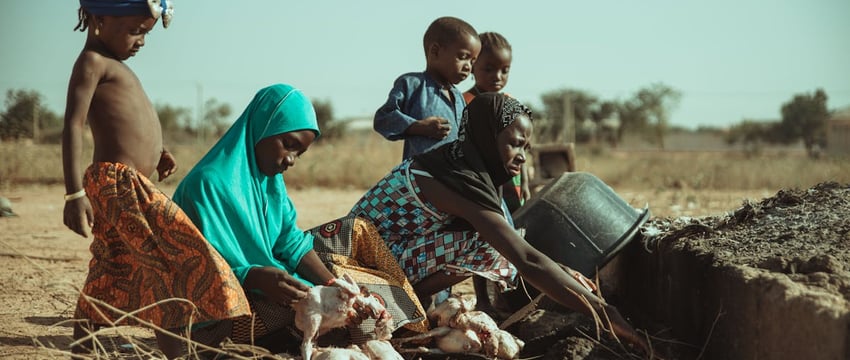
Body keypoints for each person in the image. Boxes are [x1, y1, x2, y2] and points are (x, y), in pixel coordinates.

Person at [350, 93, 650, 352]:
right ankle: (398, 303)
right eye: (515, 144)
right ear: (486, 135)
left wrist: (562, 271)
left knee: (491, 241)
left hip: (383, 255)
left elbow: (514, 241)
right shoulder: (457, 179)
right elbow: (525, 258)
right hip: (356, 269)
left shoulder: (455, 162)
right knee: (490, 245)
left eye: (525, 148)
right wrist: (605, 313)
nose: (521, 157)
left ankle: (409, 300)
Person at [172, 84, 427, 350]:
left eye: (299, 153)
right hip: (216, 314)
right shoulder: (208, 185)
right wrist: (253, 276)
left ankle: (395, 328)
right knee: (297, 307)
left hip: (265, 281)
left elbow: (289, 241)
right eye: (288, 144)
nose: (291, 160)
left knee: (348, 265)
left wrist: (332, 282)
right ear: (262, 127)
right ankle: (299, 338)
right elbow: (199, 272)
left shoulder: (269, 180)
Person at [61, 1, 250, 358]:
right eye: (136, 30)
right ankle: (181, 352)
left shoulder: (116, 66)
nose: (142, 42)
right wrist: (73, 194)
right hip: (119, 185)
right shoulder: (92, 63)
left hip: (131, 184)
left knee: (113, 266)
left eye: (146, 33)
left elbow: (129, 119)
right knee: (173, 259)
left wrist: (157, 151)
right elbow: (72, 124)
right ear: (100, 20)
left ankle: (83, 345)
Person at [373, 16, 481, 160]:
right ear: (435, 51)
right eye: (462, 57)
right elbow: (383, 119)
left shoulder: (458, 97)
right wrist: (418, 127)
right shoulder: (412, 85)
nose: (468, 66)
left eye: (472, 61)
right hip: (421, 177)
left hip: (453, 177)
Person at [463, 32, 530, 213]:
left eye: (504, 70)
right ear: (472, 66)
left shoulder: (510, 104)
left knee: (515, 219)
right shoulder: (463, 102)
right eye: (489, 69)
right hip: (481, 180)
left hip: (511, 180)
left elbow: (521, 147)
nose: (497, 76)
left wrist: (525, 182)